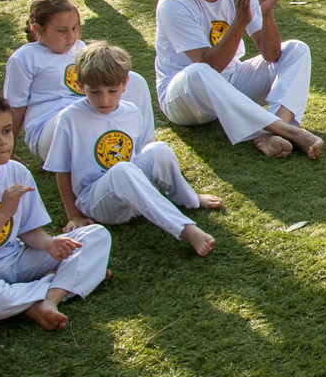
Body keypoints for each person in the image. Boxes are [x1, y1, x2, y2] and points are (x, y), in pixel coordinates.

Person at [154, 0, 321, 159]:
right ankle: (286, 130)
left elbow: (271, 55)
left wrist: (266, 14)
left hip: (230, 81)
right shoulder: (174, 2)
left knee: (297, 50)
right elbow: (209, 66)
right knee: (198, 71)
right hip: (185, 97)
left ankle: (272, 132)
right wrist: (240, 22)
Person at [44, 42, 220, 256]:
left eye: (112, 90)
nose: (104, 99)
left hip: (129, 191)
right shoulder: (69, 118)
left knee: (158, 150)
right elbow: (61, 171)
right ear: (80, 86)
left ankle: (188, 198)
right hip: (96, 201)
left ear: (124, 84)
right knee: (122, 170)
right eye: (95, 92)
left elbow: (138, 156)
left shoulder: (131, 111)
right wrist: (74, 215)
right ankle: (186, 229)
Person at [0, 91, 111, 331]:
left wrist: (49, 244)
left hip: (17, 259)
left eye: (6, 131)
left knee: (95, 236)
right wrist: (3, 213)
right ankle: (59, 284)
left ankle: (48, 300)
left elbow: (27, 229)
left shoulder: (17, 172)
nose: (2, 142)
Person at [3, 0, 154, 160]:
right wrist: (9, 153)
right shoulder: (25, 57)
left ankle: (144, 150)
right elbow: (15, 107)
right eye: (62, 31)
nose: (71, 36)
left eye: (74, 28)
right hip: (50, 128)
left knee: (134, 80)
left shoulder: (80, 48)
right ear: (38, 29)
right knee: (76, 113)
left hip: (89, 112)